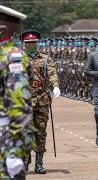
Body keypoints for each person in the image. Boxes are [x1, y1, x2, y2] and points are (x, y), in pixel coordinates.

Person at [0, 5, 36, 180]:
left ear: (2, 28)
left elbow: (18, 103)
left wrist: (15, 150)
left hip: (6, 139)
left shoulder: (13, 57)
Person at [21, 30, 60, 174]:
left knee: (41, 132)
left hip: (42, 99)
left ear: (37, 43)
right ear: (24, 44)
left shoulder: (45, 58)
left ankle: (39, 163)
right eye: (28, 43)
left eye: (33, 42)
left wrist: (55, 86)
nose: (31, 44)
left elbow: (52, 73)